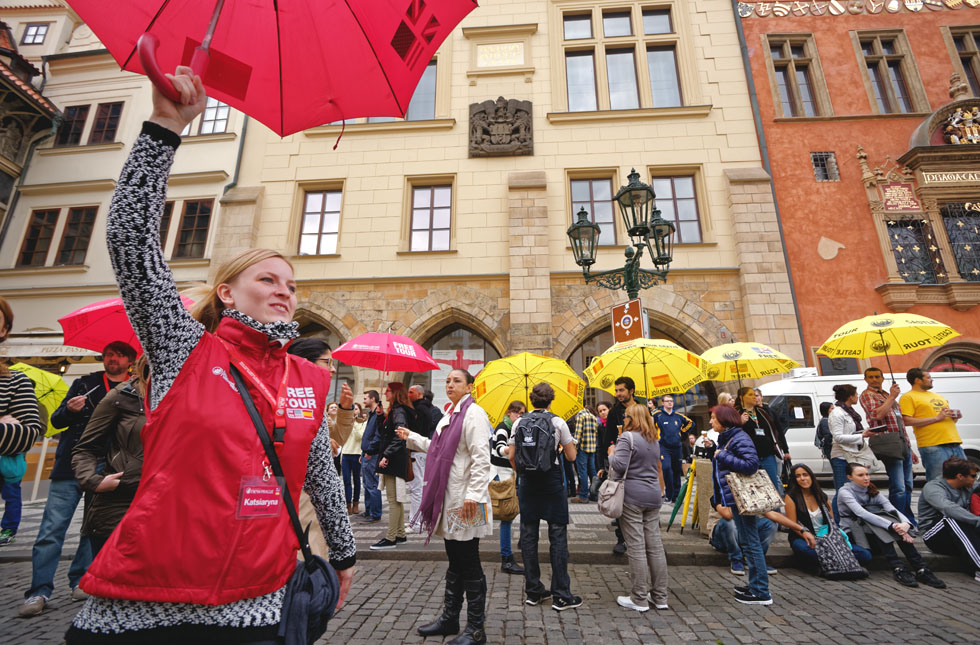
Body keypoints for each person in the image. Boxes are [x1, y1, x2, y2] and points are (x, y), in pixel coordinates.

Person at [63, 68, 355, 642]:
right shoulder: (185, 350)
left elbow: (317, 467)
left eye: (291, 286)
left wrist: (342, 557)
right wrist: (164, 127)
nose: (283, 291)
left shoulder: (307, 378)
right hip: (148, 593)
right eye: (267, 278)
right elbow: (129, 241)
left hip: (259, 597)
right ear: (226, 292)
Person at [20, 340, 134, 617]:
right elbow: (56, 422)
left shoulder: (134, 389)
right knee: (51, 528)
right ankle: (39, 591)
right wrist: (70, 410)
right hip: (71, 466)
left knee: (91, 529)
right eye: (108, 354)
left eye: (118, 355)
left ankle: (80, 581)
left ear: (130, 360)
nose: (112, 359)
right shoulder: (86, 383)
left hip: (108, 468)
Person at [398, 368, 493, 645]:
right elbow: (439, 449)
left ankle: (476, 629)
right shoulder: (451, 413)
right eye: (448, 381)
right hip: (450, 497)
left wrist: (473, 496)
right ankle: (450, 618)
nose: (450, 384)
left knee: (469, 561)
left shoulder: (473, 413)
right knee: (455, 559)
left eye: (457, 381)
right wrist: (412, 438)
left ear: (469, 387)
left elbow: (481, 458)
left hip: (467, 500)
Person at [508, 383, 583, 611]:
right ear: (551, 401)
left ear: (531, 401)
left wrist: (522, 472)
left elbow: (512, 455)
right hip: (551, 482)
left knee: (529, 536)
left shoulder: (519, 422)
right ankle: (561, 595)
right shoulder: (557, 422)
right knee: (558, 536)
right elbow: (571, 457)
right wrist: (563, 447)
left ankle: (534, 591)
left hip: (528, 484)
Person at [71, 358, 148, 557]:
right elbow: (85, 447)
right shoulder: (124, 394)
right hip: (121, 503)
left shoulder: (195, 393)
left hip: (173, 506)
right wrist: (93, 480)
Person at [287, 338, 356, 560]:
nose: (333, 369)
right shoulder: (291, 400)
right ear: (305, 363)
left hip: (314, 509)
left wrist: (345, 410)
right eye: (327, 361)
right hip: (299, 505)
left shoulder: (314, 402)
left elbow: (336, 439)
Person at [836, 462, 945, 589]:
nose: (866, 478)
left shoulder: (872, 490)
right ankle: (898, 568)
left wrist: (905, 524)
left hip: (874, 532)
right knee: (881, 525)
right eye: (860, 475)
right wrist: (892, 526)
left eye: (867, 474)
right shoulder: (845, 492)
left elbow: (892, 509)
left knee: (887, 524)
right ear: (850, 477)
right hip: (853, 533)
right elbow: (862, 513)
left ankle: (921, 568)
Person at [607, 404, 668, 612]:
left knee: (636, 546)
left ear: (632, 418)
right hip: (653, 495)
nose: (624, 419)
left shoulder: (627, 438)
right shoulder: (654, 439)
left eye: (626, 417)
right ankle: (660, 596)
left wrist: (611, 453)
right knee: (655, 546)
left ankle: (639, 597)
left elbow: (619, 466)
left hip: (632, 495)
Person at [711, 404, 773, 605]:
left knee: (751, 542)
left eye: (713, 418)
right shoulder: (729, 438)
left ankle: (761, 591)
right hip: (735, 498)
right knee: (748, 542)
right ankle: (755, 586)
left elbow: (751, 465)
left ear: (724, 420)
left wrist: (722, 455)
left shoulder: (739, 438)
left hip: (742, 497)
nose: (711, 421)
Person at [0, 296, 42, 549]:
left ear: (4, 331)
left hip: (8, 465)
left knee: (12, 496)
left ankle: (8, 529)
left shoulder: (15, 382)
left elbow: (29, 433)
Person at [783, 463, 870, 570]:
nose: (802, 478)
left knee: (865, 555)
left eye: (805, 475)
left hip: (826, 538)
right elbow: (793, 524)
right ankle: (837, 564)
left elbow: (831, 522)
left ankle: (829, 564)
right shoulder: (791, 497)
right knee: (807, 551)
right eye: (798, 476)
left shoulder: (821, 496)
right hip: (803, 538)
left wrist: (827, 541)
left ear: (811, 476)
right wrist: (809, 536)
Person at [860, 367, 918, 523]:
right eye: (870, 377)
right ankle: (899, 518)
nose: (874, 379)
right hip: (889, 443)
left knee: (908, 484)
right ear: (865, 379)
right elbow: (878, 415)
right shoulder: (867, 395)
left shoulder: (886, 394)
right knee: (898, 486)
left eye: (877, 376)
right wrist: (892, 397)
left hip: (902, 443)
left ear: (882, 378)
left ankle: (908, 517)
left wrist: (910, 448)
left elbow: (900, 423)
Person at [918, 457, 980, 583]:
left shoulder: (967, 485)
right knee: (951, 517)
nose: (976, 479)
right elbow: (947, 507)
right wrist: (976, 520)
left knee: (961, 520)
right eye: (973, 476)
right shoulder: (934, 487)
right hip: (934, 535)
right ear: (960, 476)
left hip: (959, 534)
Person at [900, 367, 966, 481]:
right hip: (933, 445)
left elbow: (945, 418)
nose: (932, 380)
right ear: (917, 380)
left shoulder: (938, 396)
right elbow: (905, 420)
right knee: (938, 481)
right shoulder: (908, 397)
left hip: (954, 442)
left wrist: (955, 417)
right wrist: (936, 418)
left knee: (963, 478)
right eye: (928, 377)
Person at [372, 382, 414, 549]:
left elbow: (399, 435)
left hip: (394, 460)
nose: (385, 393)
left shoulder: (398, 411)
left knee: (393, 499)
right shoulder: (395, 411)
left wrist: (386, 455)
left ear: (396, 393)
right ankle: (400, 534)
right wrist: (382, 417)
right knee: (396, 498)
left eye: (388, 390)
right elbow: (389, 433)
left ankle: (390, 538)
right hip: (394, 459)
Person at [598, 377, 637, 555]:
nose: (618, 394)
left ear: (631, 391)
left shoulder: (641, 410)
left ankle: (639, 538)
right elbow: (607, 440)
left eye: (621, 390)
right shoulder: (614, 412)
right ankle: (621, 538)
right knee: (620, 499)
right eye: (617, 391)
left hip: (639, 460)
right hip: (621, 459)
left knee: (638, 500)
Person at [828, 384, 877, 521]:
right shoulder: (837, 413)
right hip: (841, 456)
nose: (857, 397)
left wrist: (864, 432)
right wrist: (862, 436)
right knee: (842, 492)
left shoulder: (849, 411)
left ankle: (850, 520)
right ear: (850, 397)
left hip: (852, 454)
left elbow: (850, 432)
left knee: (852, 490)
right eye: (856, 394)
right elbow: (837, 437)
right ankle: (836, 522)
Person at [491, 400, 525, 575]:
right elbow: (498, 449)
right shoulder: (503, 427)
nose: (520, 416)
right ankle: (506, 557)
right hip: (501, 475)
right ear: (510, 412)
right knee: (507, 516)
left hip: (510, 474)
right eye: (518, 413)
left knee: (514, 511)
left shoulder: (515, 428)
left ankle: (521, 543)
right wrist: (512, 448)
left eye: (522, 413)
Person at [736, 386, 789, 494]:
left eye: (755, 395)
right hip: (749, 457)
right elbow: (732, 433)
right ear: (741, 398)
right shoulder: (737, 414)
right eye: (750, 395)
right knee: (754, 490)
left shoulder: (763, 412)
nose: (754, 397)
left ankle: (776, 510)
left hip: (768, 454)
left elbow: (775, 430)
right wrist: (739, 423)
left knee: (772, 486)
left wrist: (784, 449)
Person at [707, 498, 778, 576]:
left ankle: (755, 559)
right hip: (721, 539)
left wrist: (793, 526)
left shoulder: (750, 495)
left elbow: (771, 515)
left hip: (743, 534)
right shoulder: (718, 496)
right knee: (728, 522)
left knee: (771, 524)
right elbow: (728, 515)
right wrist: (741, 501)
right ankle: (735, 559)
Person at [408, 384, 441, 531]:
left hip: (419, 449)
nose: (408, 395)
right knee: (418, 487)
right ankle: (416, 521)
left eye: (411, 392)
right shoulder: (425, 409)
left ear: (420, 394)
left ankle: (416, 522)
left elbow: (420, 431)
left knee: (417, 487)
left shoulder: (421, 410)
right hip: (421, 449)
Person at [653, 393, 693, 503]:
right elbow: (649, 425)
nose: (670, 402)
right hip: (664, 447)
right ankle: (668, 494)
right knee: (666, 468)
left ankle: (676, 496)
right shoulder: (657, 415)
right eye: (667, 401)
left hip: (677, 447)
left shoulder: (678, 416)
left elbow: (690, 423)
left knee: (677, 471)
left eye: (671, 401)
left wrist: (682, 432)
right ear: (663, 403)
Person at [359, 389, 385, 523]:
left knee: (372, 485)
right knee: (366, 484)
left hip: (372, 455)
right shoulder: (372, 414)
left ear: (373, 399)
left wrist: (369, 451)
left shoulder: (379, 414)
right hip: (366, 453)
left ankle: (375, 514)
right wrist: (363, 452)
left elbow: (377, 435)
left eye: (365, 398)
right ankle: (369, 510)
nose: (364, 401)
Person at [570, 405, 598, 503]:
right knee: (593, 471)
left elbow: (577, 433)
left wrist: (574, 446)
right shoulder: (593, 417)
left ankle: (583, 496)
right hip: (592, 447)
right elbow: (596, 432)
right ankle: (595, 494)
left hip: (582, 448)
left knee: (583, 472)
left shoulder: (580, 416)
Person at [341, 403, 365, 515]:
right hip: (346, 454)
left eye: (356, 409)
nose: (354, 411)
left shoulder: (363, 422)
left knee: (356, 480)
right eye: (352, 409)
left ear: (359, 411)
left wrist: (355, 423)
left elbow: (360, 436)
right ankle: (347, 504)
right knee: (346, 480)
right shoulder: (345, 422)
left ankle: (356, 503)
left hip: (357, 454)